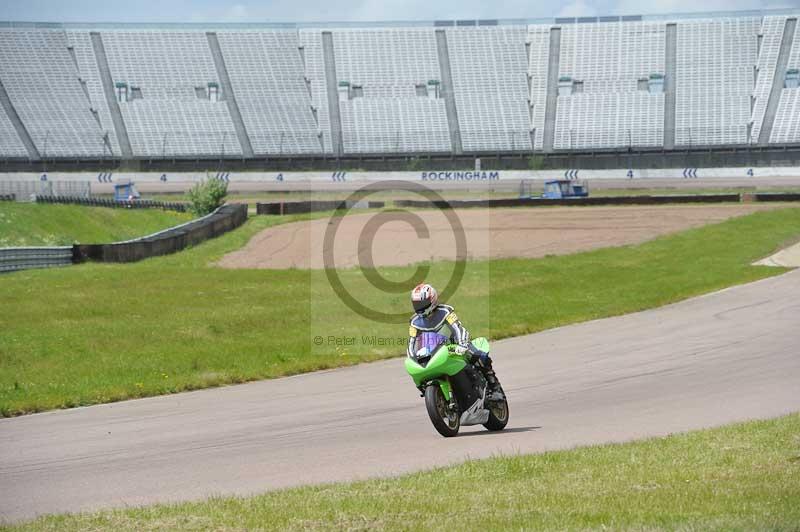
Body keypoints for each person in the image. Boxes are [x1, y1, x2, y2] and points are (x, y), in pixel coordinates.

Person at [406, 283, 499, 389]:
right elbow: (412, 341)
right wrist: (411, 357)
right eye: (416, 304)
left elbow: (457, 328)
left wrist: (463, 345)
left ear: (432, 300)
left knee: (478, 356)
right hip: (433, 351)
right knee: (420, 375)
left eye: (422, 303)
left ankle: (493, 385)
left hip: (455, 344)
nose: (419, 307)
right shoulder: (414, 322)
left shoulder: (446, 312)